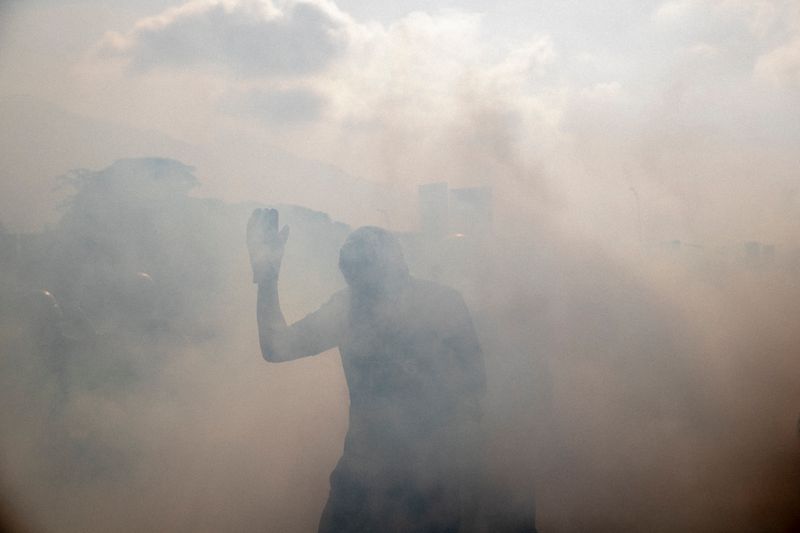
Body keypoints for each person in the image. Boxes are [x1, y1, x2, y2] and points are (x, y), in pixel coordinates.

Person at [248, 208, 486, 533]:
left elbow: (474, 394)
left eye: (371, 280)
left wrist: (466, 478)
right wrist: (267, 275)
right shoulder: (350, 307)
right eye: (358, 281)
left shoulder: (439, 305)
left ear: (397, 268)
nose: (369, 295)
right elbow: (277, 348)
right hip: (367, 479)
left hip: (428, 481)